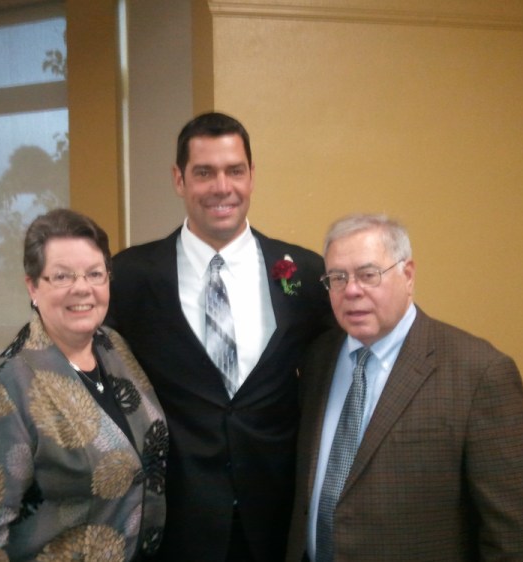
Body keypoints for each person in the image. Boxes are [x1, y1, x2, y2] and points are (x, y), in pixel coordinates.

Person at [106, 111, 335, 562]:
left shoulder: (304, 273)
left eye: (235, 171)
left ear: (252, 176)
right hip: (174, 521)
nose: (222, 187)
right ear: (179, 179)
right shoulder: (130, 275)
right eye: (204, 172)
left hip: (276, 518)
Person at [286, 213, 523, 562]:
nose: (351, 290)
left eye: (368, 274)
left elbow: (515, 532)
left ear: (407, 275)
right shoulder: (318, 359)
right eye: (337, 277)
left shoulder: (478, 372)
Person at [0, 208, 168, 561]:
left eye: (95, 274)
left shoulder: (113, 346)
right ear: (33, 286)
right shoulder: (2, 389)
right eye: (62, 276)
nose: (82, 288)